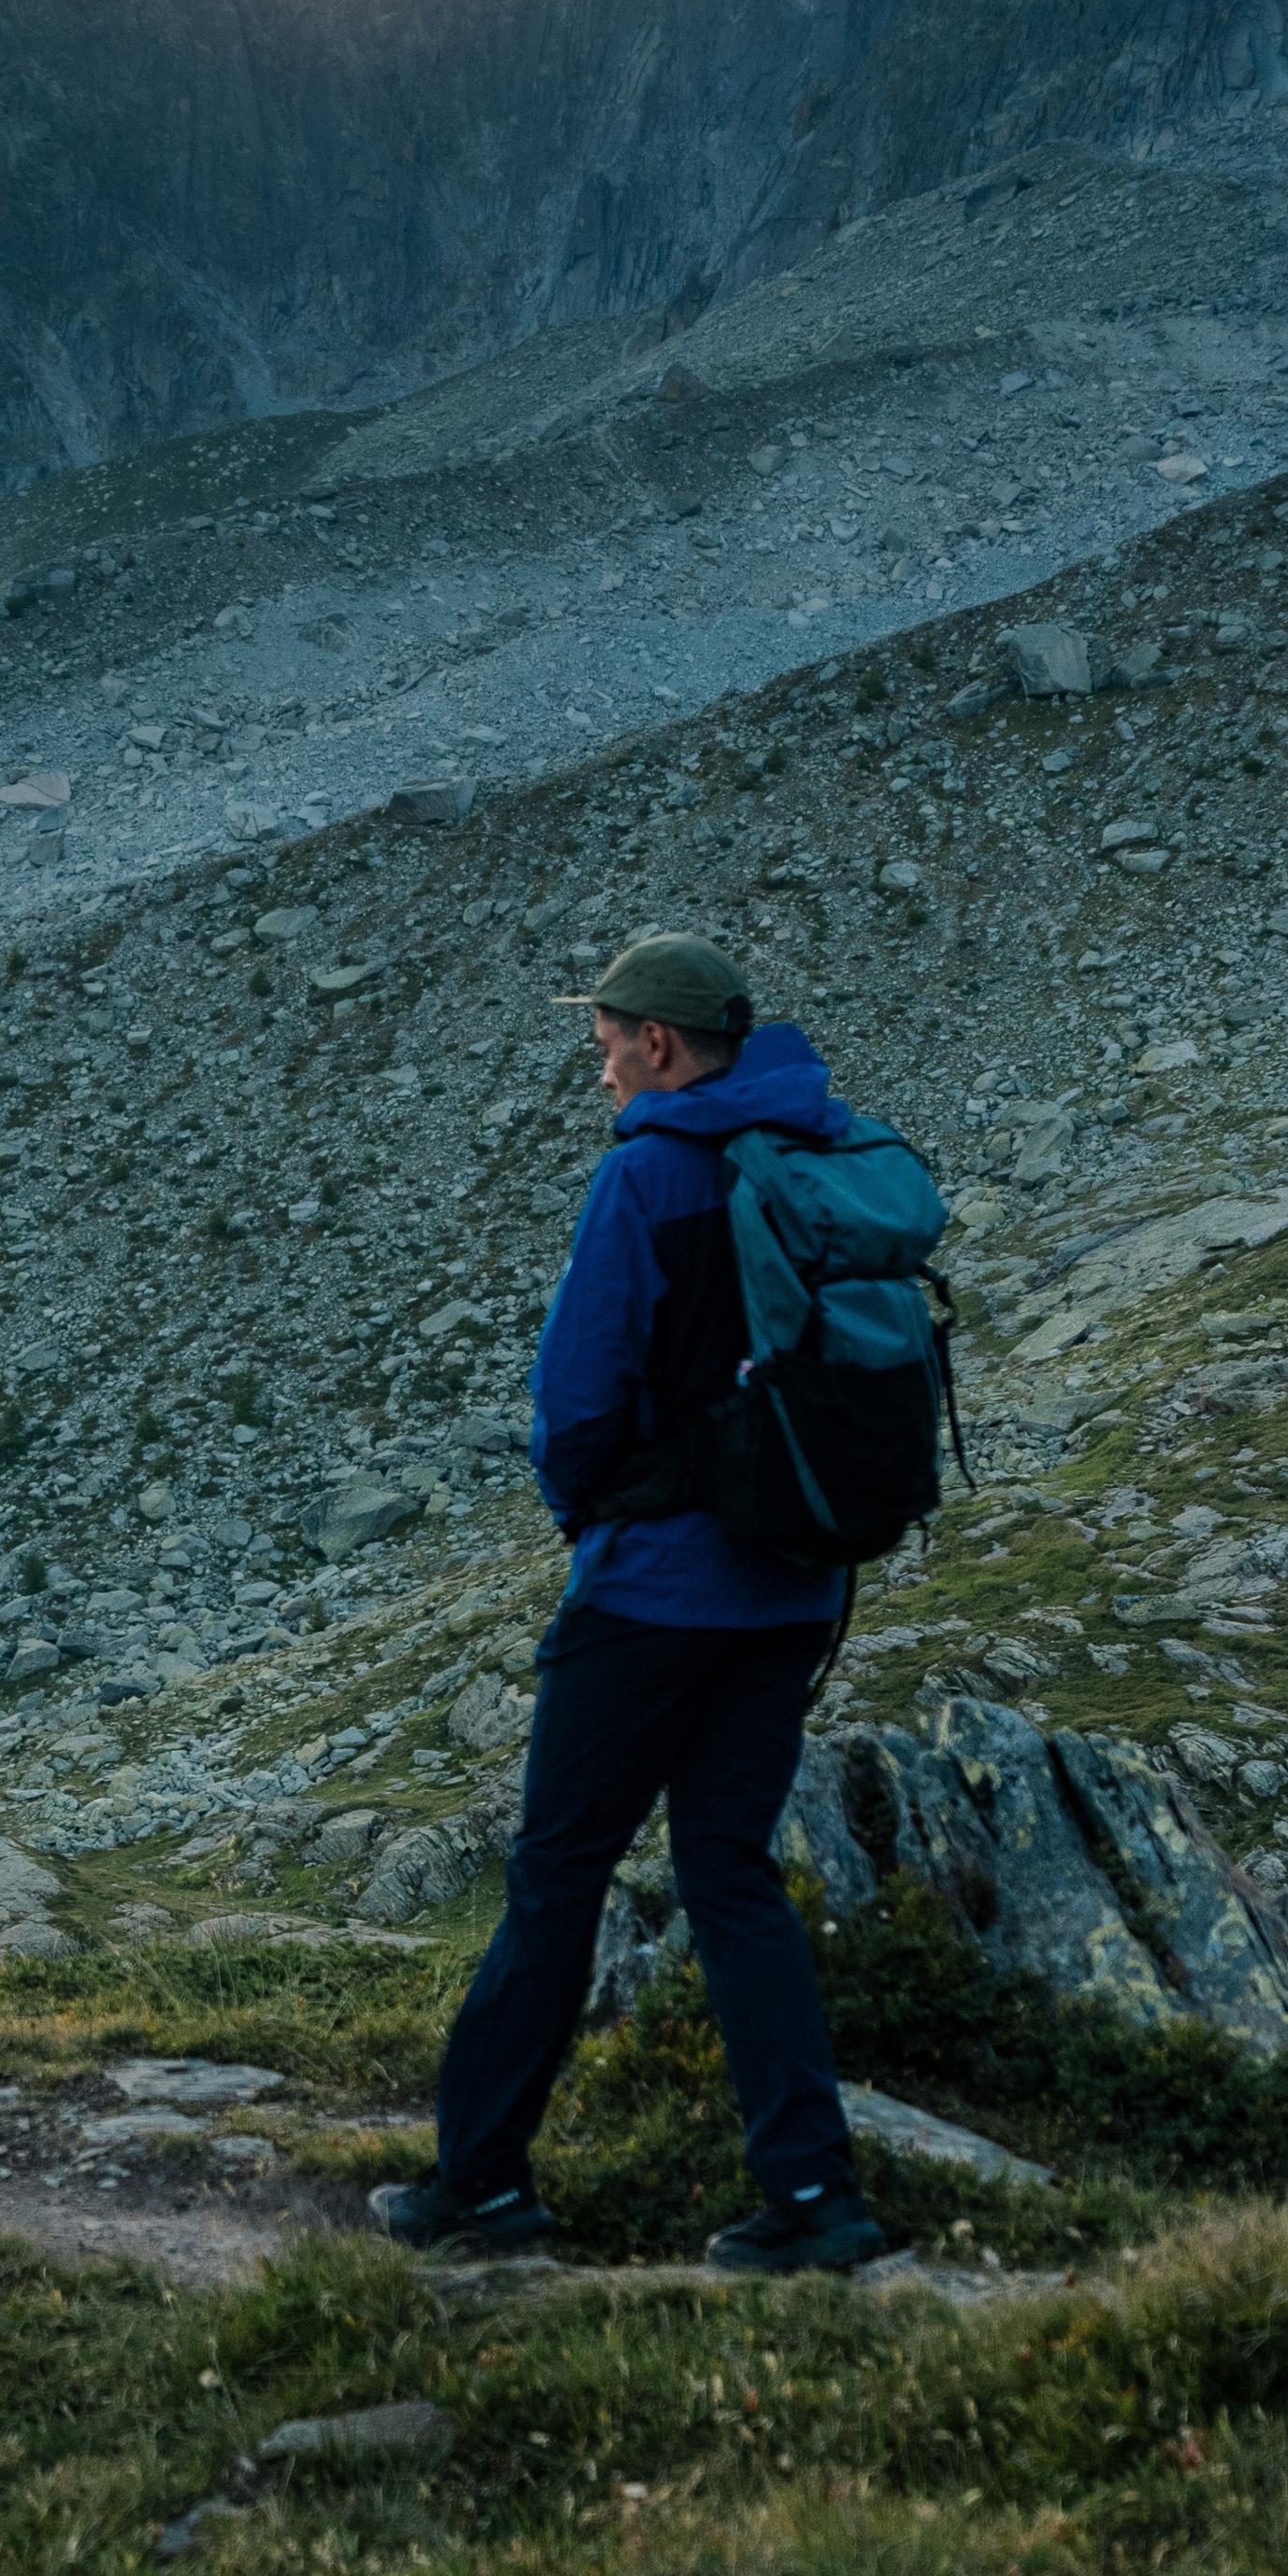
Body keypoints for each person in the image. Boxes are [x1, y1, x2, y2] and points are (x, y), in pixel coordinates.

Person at [375, 934, 890, 2277]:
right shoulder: (818, 1158)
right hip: (796, 1589)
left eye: (604, 1043)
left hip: (657, 1594)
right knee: (730, 1873)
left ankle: (479, 2184)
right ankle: (816, 2202)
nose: (598, 1067)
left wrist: (593, 1510)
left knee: (556, 1875)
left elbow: (578, 1398)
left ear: (658, 1045)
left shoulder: (647, 1175)